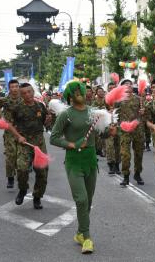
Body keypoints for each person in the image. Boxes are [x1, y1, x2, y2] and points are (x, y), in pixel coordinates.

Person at [50, 81, 116, 254]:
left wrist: (110, 132)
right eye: (76, 90)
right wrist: (72, 144)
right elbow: (54, 138)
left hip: (90, 161)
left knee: (88, 201)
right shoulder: (66, 115)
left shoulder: (94, 113)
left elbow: (101, 133)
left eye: (81, 89)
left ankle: (80, 232)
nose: (80, 92)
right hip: (74, 162)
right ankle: (87, 238)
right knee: (81, 200)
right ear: (70, 96)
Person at [7, 83, 51, 210]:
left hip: (39, 143)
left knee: (42, 172)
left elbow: (45, 124)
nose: (27, 95)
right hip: (24, 142)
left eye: (29, 92)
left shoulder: (40, 106)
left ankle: (37, 197)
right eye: (24, 93)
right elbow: (9, 125)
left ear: (33, 92)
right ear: (21, 95)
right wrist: (18, 136)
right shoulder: (17, 108)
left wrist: (48, 120)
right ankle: (22, 190)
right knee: (22, 169)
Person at [0, 80, 22, 189]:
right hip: (10, 132)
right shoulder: (4, 100)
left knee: (22, 156)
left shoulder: (24, 99)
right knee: (11, 155)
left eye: (16, 86)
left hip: (23, 131)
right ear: (9, 88)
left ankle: (21, 176)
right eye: (12, 87)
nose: (14, 89)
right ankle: (10, 177)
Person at [118, 79, 145, 186]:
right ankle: (125, 176)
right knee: (125, 154)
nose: (128, 86)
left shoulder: (138, 99)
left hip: (137, 130)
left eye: (130, 84)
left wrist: (143, 111)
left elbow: (144, 113)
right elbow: (113, 113)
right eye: (125, 84)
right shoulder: (118, 100)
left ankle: (137, 173)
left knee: (139, 154)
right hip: (124, 130)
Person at [106, 81, 121, 174]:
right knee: (109, 146)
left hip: (118, 124)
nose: (112, 89)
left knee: (118, 146)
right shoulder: (105, 98)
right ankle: (111, 164)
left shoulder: (120, 99)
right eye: (110, 88)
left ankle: (117, 165)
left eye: (113, 88)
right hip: (107, 125)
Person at [91, 87, 107, 158]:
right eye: (99, 91)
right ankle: (97, 150)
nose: (101, 93)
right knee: (97, 138)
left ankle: (103, 151)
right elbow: (93, 111)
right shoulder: (94, 102)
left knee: (105, 138)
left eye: (102, 91)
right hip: (97, 122)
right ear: (97, 93)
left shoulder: (106, 100)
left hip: (106, 121)